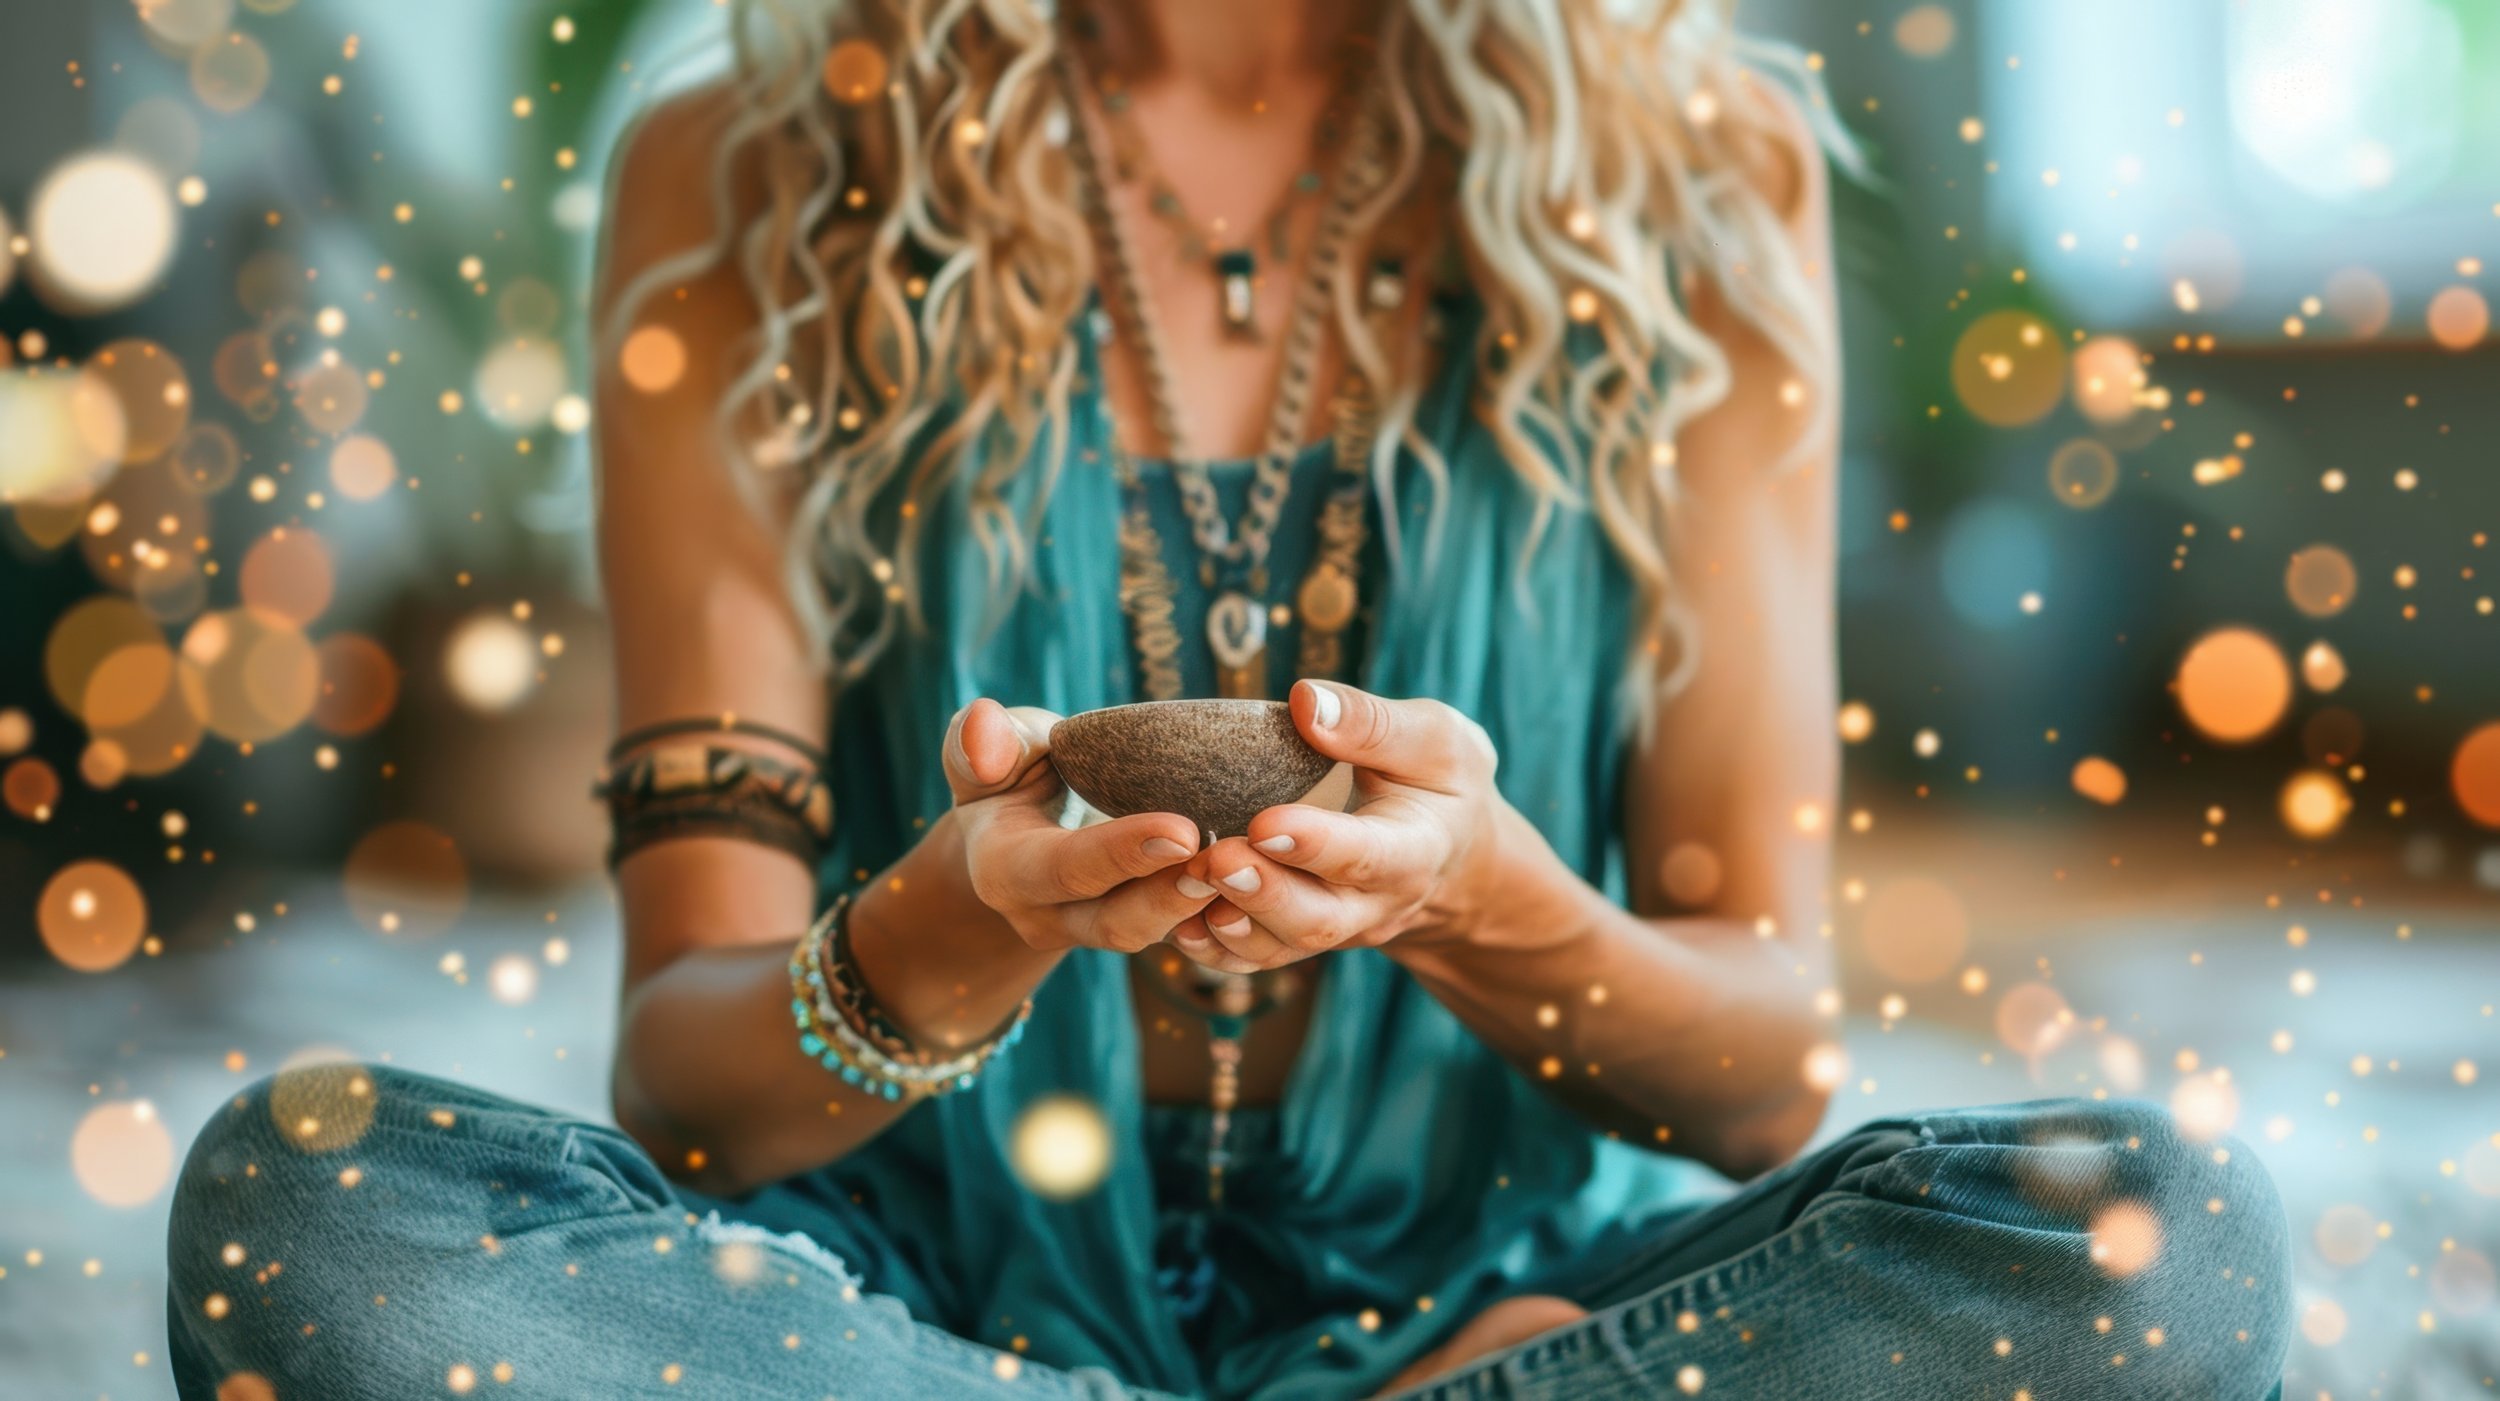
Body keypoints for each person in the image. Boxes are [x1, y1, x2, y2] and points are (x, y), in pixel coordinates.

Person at [167, 1, 2292, 1396]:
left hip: (1507, 1307)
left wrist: (1477, 902)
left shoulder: (1693, 162)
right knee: (321, 1216)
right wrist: (946, 933)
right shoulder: (743, 153)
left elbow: (1752, 1076)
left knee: (2154, 1246)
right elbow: (696, 1088)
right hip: (894, 1320)